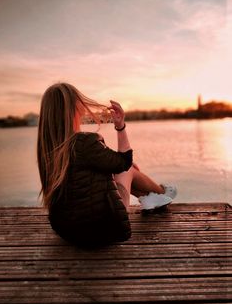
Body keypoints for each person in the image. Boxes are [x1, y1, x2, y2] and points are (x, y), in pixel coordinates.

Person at [37, 82, 177, 248]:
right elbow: (124, 162)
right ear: (72, 110)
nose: (82, 109)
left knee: (122, 168)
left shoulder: (46, 148)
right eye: (79, 104)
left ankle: (150, 198)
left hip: (67, 231)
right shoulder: (83, 142)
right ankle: (161, 193)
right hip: (102, 228)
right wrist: (120, 126)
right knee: (129, 169)